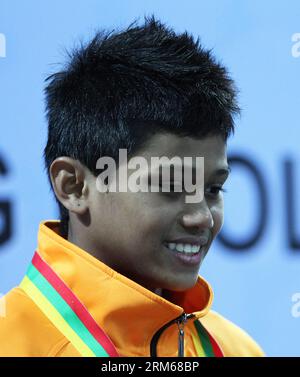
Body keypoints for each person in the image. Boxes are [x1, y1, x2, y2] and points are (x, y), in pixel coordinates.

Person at [0, 16, 264, 357]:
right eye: (171, 185)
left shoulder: (238, 350)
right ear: (74, 186)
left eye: (213, 189)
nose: (201, 217)